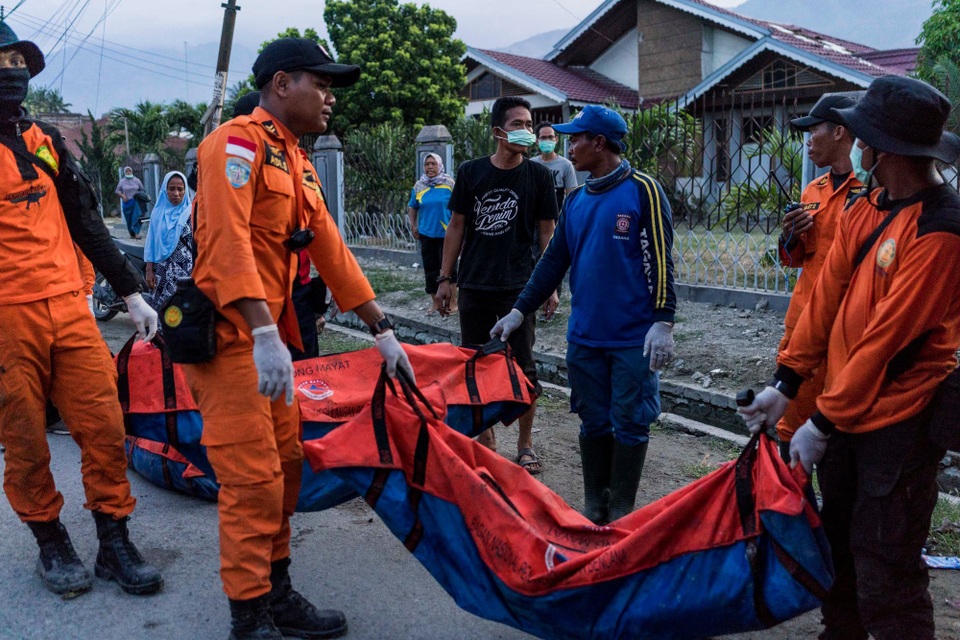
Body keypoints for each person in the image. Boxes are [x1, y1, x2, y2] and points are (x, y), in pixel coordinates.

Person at [184, 38, 414, 640]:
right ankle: (249, 615)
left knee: (286, 469)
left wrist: (381, 329)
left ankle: (278, 594)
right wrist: (263, 330)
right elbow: (227, 243)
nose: (330, 96)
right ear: (283, 84)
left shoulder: (296, 160)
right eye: (322, 82)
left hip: (273, 348)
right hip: (235, 341)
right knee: (252, 480)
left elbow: (333, 251)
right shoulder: (234, 143)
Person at [739, 75, 960, 640]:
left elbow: (890, 343)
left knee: (884, 561)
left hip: (899, 420)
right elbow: (823, 301)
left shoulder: (941, 229)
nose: (856, 147)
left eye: (862, 137)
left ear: (882, 149)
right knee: (836, 539)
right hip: (843, 410)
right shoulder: (868, 206)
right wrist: (787, 383)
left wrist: (822, 422)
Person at [0, 22, 162, 598]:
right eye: (2, 58)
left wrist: (131, 292)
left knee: (102, 423)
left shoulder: (43, 138)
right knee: (23, 438)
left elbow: (87, 220)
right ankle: (50, 542)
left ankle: (114, 540)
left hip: (70, 308)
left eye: (18, 59)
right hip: (6, 320)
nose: (12, 69)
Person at [492, 105, 676, 523]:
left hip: (633, 338)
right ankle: (596, 503)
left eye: (576, 138)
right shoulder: (575, 199)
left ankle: (623, 510)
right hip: (586, 338)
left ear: (599, 143)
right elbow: (553, 261)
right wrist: (519, 311)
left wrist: (663, 320)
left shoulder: (643, 190)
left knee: (631, 421)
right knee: (593, 420)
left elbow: (662, 259)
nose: (567, 146)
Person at [436, 96, 559, 475]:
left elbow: (547, 233)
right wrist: (445, 279)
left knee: (523, 367)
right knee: (474, 365)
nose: (527, 130)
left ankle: (524, 444)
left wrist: (549, 285)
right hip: (474, 284)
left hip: (519, 289)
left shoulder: (539, 176)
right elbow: (456, 226)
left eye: (529, 123)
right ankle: (487, 444)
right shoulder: (472, 173)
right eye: (519, 123)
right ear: (498, 132)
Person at [774, 94, 861, 461]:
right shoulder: (814, 190)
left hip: (849, 330)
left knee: (840, 436)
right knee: (789, 429)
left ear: (840, 131)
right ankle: (793, 513)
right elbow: (797, 258)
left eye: (814, 130)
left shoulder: (870, 191)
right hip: (804, 326)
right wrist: (790, 234)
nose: (807, 140)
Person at [407, 152, 456, 315]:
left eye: (433, 164)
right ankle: (436, 303)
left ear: (440, 165)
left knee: (449, 269)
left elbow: (459, 207)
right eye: (427, 164)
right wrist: (413, 225)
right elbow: (412, 206)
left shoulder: (449, 184)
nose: (430, 167)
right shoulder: (419, 186)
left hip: (448, 234)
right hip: (427, 235)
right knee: (431, 269)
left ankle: (453, 303)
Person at [144, 171, 192, 311]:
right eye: (171, 189)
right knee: (161, 311)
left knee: (184, 312)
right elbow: (151, 242)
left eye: (180, 189)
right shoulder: (157, 213)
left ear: (185, 190)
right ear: (165, 190)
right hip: (162, 272)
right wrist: (149, 270)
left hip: (187, 273)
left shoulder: (192, 213)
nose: (176, 193)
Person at [531, 122, 578, 211]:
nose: (547, 140)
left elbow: (572, 197)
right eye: (543, 138)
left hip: (557, 217)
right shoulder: (532, 164)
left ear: (556, 139)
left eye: (550, 137)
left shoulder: (566, 165)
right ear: (537, 141)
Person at [115, 166, 146, 238]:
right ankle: (132, 233)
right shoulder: (122, 181)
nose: (128, 172)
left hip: (135, 202)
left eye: (130, 171)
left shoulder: (137, 180)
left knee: (136, 218)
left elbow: (142, 190)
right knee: (129, 220)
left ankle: (136, 233)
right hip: (127, 204)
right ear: (125, 172)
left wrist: (138, 195)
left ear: (132, 172)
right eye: (127, 171)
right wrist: (122, 196)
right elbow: (117, 191)